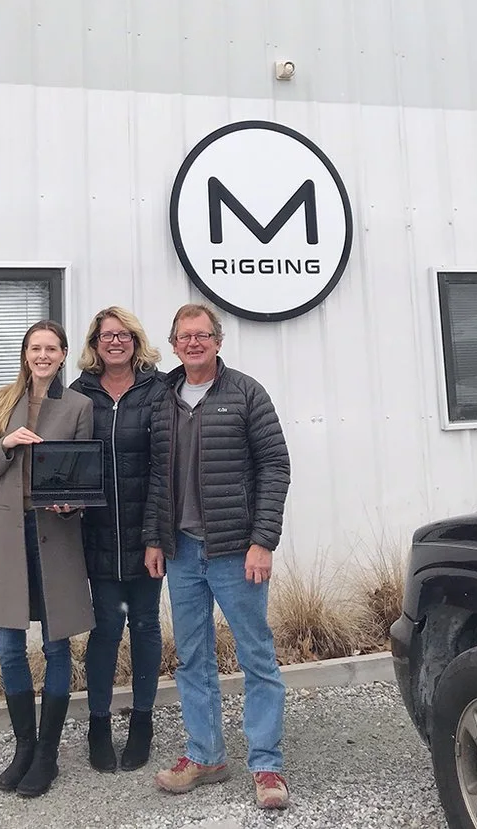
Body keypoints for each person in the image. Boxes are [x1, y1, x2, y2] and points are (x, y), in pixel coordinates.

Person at [143, 304, 292, 811]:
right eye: (184, 336)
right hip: (181, 552)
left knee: (257, 657)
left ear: (218, 341)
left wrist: (263, 540)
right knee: (192, 659)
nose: (194, 343)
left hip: (235, 552)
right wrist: (154, 539)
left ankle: (267, 764)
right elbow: (156, 478)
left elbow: (276, 466)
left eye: (203, 335)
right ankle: (205, 755)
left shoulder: (246, 393)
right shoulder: (163, 398)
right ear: (174, 342)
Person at [0, 320, 94, 798]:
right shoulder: (4, 401)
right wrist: (7, 443)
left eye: (51, 348)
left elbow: (85, 473)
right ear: (25, 353)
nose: (42, 355)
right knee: (9, 647)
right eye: (34, 348)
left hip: (56, 536)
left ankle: (47, 754)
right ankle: (23, 747)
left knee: (56, 645)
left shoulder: (79, 406)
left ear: (63, 355)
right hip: (11, 535)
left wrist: (73, 501)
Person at [70, 307, 167, 773]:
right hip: (98, 536)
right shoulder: (79, 394)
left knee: (146, 625)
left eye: (124, 334)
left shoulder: (159, 390)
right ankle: (99, 724)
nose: (115, 341)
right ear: (95, 342)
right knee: (106, 630)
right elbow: (66, 461)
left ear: (135, 340)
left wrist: (157, 535)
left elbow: (167, 469)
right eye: (107, 335)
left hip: (148, 536)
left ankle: (143, 722)